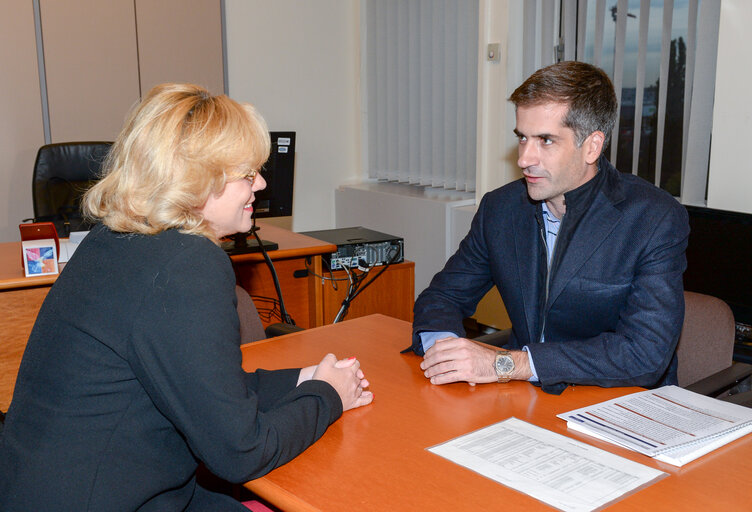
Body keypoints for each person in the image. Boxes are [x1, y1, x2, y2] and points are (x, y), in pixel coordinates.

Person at [0, 83, 373, 511]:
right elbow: (241, 452)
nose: (262, 183)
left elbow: (200, 390)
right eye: (248, 173)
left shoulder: (114, 238)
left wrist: (303, 378)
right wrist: (328, 397)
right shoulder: (188, 264)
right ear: (199, 181)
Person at [410, 61, 689, 395]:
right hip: (523, 399)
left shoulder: (653, 218)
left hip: (617, 400)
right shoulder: (501, 210)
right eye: (523, 138)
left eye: (545, 141)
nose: (524, 158)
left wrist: (510, 365)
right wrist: (446, 352)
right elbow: (442, 297)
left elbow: (644, 353)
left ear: (592, 146)